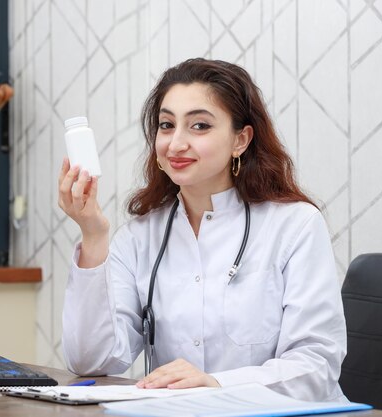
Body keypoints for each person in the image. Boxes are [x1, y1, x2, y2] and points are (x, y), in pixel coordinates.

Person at [58, 58, 346, 402]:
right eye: (167, 125)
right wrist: (92, 235)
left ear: (241, 139)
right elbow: (90, 361)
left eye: (199, 126)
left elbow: (315, 366)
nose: (176, 143)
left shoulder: (295, 225)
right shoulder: (139, 237)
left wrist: (217, 383)